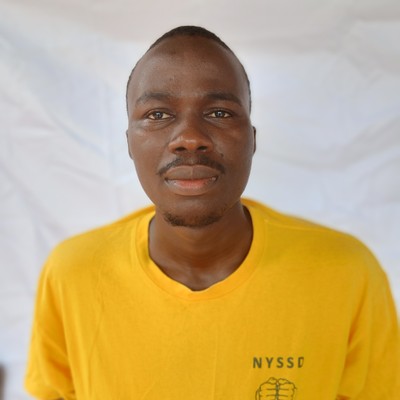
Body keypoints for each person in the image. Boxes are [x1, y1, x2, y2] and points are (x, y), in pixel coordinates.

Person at [25, 26, 399, 400]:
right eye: (158, 114)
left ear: (252, 139)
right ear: (129, 143)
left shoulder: (346, 271)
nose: (190, 138)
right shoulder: (72, 274)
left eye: (219, 112)